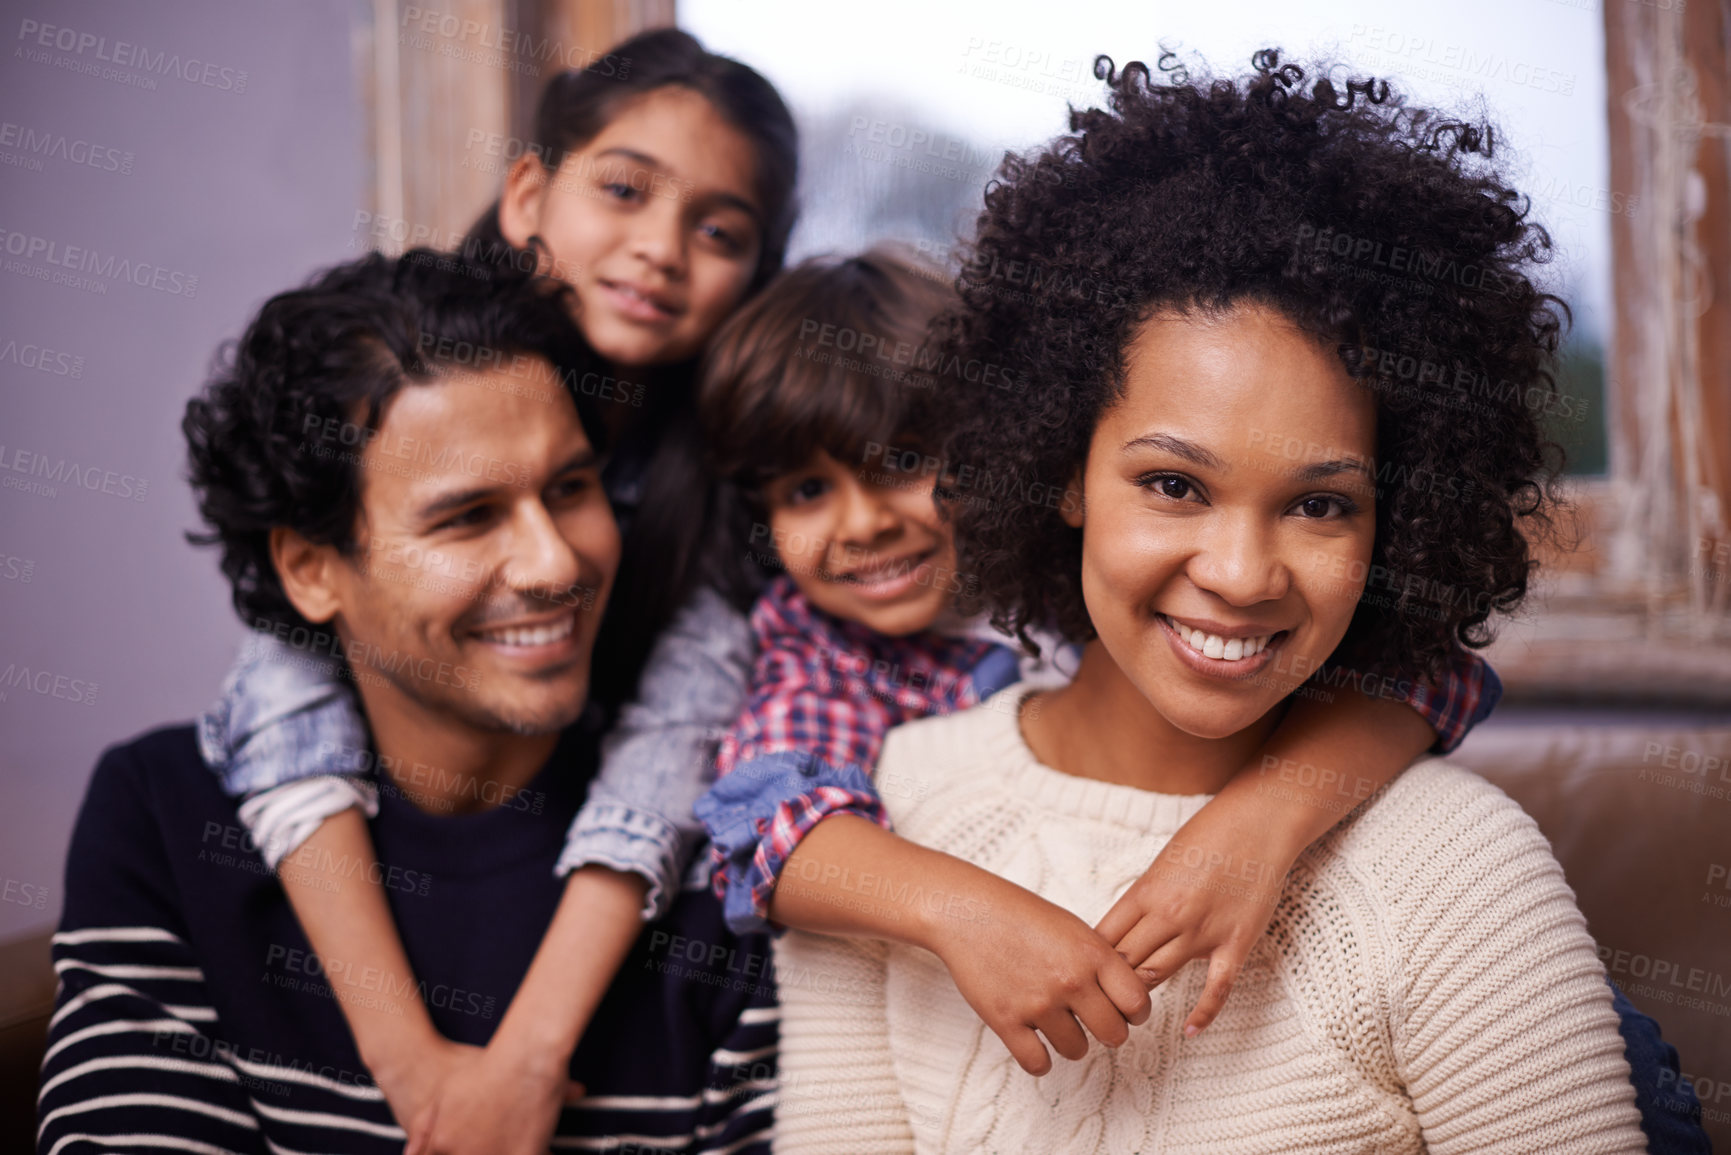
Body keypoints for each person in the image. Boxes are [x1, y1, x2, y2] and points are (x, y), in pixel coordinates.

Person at [771, 51, 1705, 1153]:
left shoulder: (1458, 868)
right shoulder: (888, 827)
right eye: (1174, 485)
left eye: (1319, 506)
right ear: (1061, 470)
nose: (1243, 573)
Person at [193, 28, 797, 1151]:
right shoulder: (403, 380)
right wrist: (412, 1065)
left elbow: (679, 733)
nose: (663, 248)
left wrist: (528, 1056)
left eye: (721, 231)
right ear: (527, 193)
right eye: (624, 189)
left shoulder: (722, 485)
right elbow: (279, 689)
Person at [38, 251, 776, 1155]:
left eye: (570, 488)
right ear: (311, 568)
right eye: (467, 515)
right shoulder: (165, 811)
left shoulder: (738, 851)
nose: (555, 564)